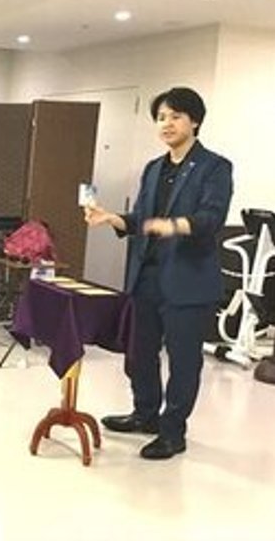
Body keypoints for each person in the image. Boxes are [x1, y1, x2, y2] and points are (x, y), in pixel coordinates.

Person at [84, 86, 233, 460]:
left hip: (188, 281)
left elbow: (211, 218)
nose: (166, 124)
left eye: (175, 116)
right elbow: (141, 219)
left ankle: (173, 432)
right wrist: (112, 218)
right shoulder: (153, 168)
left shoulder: (215, 167)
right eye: (161, 117)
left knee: (183, 361)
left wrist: (176, 225)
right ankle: (145, 414)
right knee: (139, 354)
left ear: (194, 121)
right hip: (146, 277)